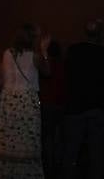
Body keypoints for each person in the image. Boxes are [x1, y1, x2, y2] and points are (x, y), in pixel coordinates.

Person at [0, 23, 51, 178]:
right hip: (26, 100)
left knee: (8, 138)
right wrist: (44, 50)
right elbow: (47, 71)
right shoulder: (35, 56)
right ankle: (24, 174)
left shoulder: (6, 53)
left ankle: (6, 172)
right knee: (26, 138)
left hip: (8, 99)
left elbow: (4, 79)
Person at [62, 19, 104, 179]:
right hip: (98, 108)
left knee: (70, 151)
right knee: (96, 153)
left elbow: (67, 76)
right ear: (99, 34)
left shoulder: (73, 51)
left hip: (75, 106)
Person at [40, 40, 65, 177]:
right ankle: (57, 164)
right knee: (58, 136)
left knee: (47, 136)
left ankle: (48, 165)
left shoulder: (46, 64)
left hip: (47, 103)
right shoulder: (64, 66)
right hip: (60, 104)